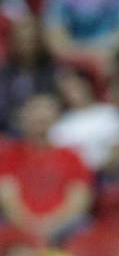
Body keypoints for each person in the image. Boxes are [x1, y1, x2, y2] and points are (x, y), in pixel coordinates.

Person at [0, 94, 92, 245]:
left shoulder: (72, 157)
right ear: (23, 118)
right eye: (34, 117)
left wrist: (50, 225)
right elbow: (8, 197)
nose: (39, 122)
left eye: (43, 119)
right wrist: (30, 225)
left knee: (83, 226)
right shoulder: (8, 154)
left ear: (55, 119)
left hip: (63, 228)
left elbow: (79, 200)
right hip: (19, 224)